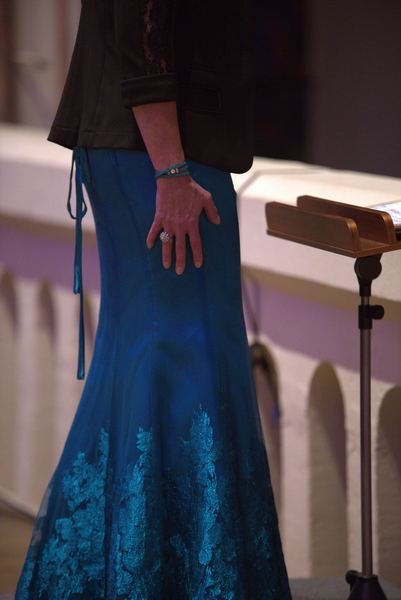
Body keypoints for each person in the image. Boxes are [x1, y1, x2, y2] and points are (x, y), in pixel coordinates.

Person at [15, 1, 293, 598]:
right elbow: (142, 25)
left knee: (158, 354)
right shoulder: (168, 166)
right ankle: (169, 580)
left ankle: (133, 576)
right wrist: (170, 172)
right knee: (184, 356)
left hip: (155, 151)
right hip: (162, 157)